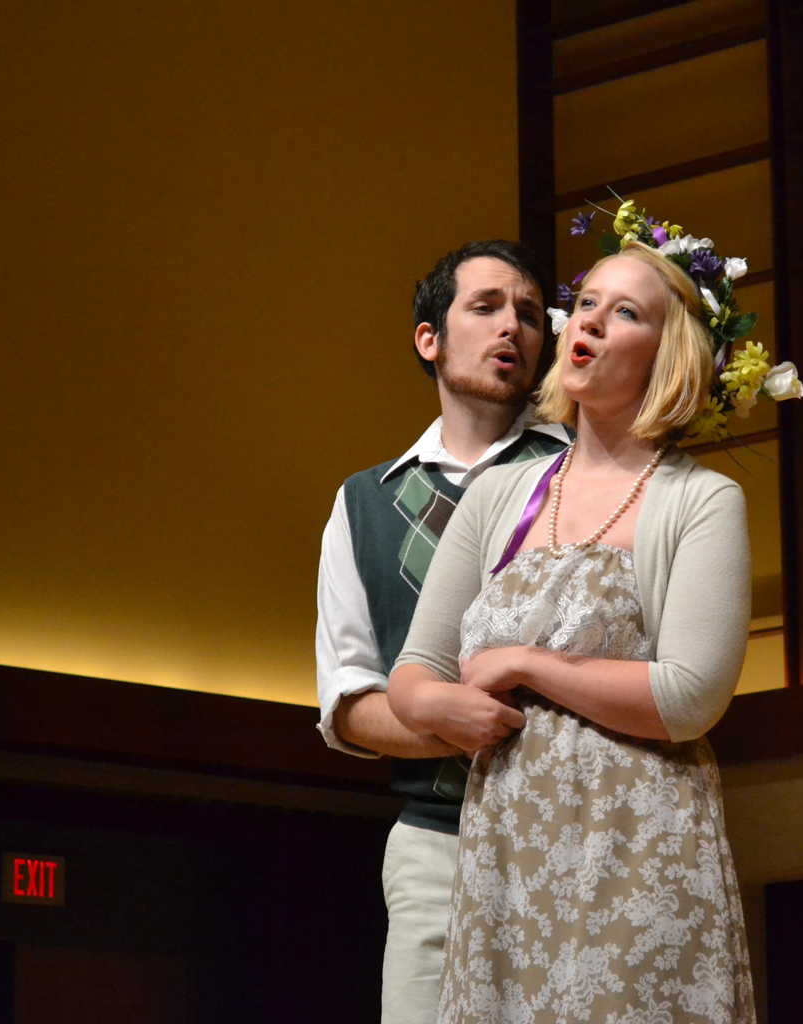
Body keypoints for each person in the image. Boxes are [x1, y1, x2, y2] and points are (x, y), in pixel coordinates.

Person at [388, 215, 793, 1022]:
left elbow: (689, 698)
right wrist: (444, 708)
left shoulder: (700, 500)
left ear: (669, 356)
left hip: (640, 847)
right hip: (507, 853)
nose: (591, 321)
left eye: (628, 313)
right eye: (588, 302)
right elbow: (413, 671)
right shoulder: (500, 496)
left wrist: (530, 666)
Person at [315, 240, 570, 1024]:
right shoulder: (364, 503)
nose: (512, 329)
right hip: (434, 838)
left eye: (529, 314)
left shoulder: (582, 472)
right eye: (486, 306)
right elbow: (348, 700)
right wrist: (449, 725)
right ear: (429, 338)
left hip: (575, 830)